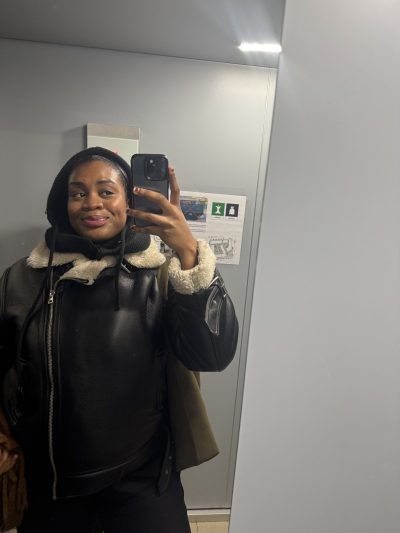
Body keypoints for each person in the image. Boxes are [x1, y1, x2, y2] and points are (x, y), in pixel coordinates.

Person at [0, 147, 238, 533]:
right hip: (52, 484)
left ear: (130, 202)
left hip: (144, 481)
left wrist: (188, 251)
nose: (92, 202)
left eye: (106, 191)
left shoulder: (162, 275)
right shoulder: (22, 279)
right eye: (78, 193)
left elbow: (211, 355)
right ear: (62, 203)